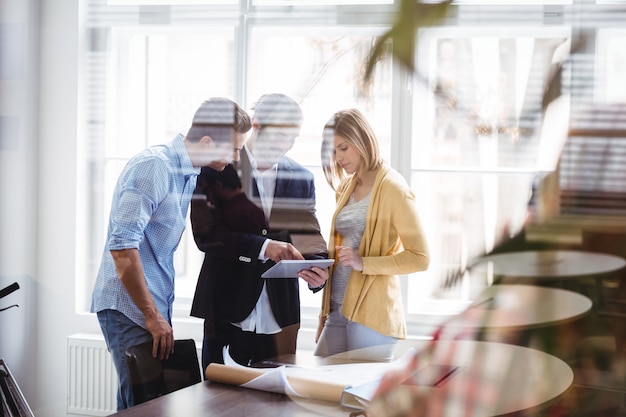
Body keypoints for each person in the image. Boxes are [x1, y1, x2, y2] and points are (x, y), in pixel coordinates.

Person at [90, 97, 251, 410]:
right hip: (128, 307)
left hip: (152, 307)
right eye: (233, 149)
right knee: (142, 407)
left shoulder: (188, 173)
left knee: (152, 404)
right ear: (207, 141)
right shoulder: (155, 167)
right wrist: (152, 315)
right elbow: (122, 246)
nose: (235, 157)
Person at [191, 93, 329, 369]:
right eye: (281, 135)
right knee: (218, 404)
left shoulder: (302, 177)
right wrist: (264, 248)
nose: (287, 145)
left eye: (294, 137)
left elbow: (308, 233)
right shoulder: (217, 167)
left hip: (281, 315)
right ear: (257, 124)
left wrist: (318, 268)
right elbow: (206, 234)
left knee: (277, 407)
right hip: (228, 308)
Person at [303, 108, 430, 361]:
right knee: (317, 385)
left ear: (362, 140)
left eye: (344, 147)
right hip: (338, 308)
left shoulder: (394, 188)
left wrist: (363, 263)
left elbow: (420, 257)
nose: (338, 157)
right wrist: (322, 298)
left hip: (372, 313)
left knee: (358, 396)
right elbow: (341, 251)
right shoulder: (347, 187)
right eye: (333, 151)